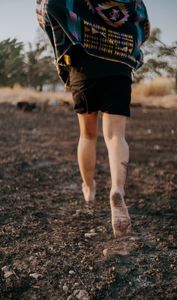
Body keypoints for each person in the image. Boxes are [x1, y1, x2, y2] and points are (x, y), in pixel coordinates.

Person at [36, 0, 150, 238]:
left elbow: (47, 7)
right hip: (118, 67)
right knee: (116, 135)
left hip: (83, 64)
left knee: (87, 135)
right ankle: (117, 189)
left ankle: (89, 188)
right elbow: (143, 23)